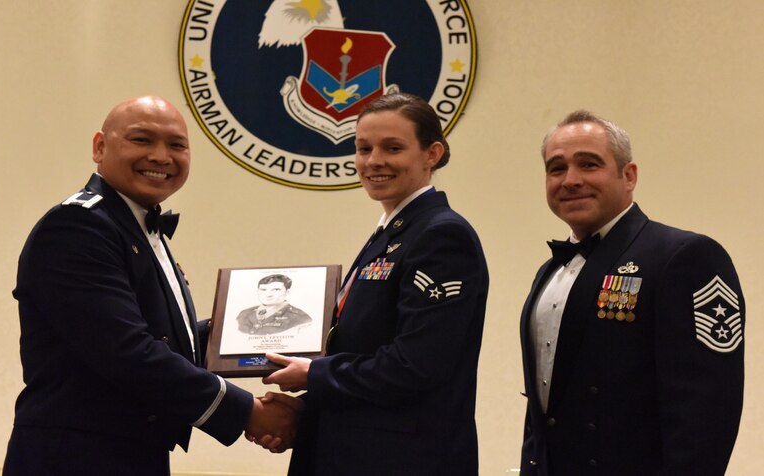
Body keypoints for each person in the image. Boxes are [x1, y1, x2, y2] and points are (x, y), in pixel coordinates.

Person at [3, 96, 298, 475]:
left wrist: (255, 331)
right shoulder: (79, 226)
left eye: (177, 145)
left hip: (125, 451)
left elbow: (158, 338)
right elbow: (127, 352)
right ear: (99, 147)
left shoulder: (131, 224)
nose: (161, 156)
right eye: (142, 140)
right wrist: (248, 412)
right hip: (77, 455)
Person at [256, 92, 490, 475]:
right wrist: (310, 406)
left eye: (393, 148)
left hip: (405, 461)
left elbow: (414, 366)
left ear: (432, 153)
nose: (374, 161)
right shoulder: (394, 232)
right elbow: (358, 347)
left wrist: (314, 375)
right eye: (363, 148)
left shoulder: (442, 236)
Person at [519, 110, 745, 475]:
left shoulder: (684, 257)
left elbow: (706, 413)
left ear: (629, 175)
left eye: (589, 164)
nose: (571, 180)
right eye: (556, 168)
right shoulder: (551, 271)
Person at [236, 274, 312, 335]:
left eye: (276, 290)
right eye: (263, 290)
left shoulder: (301, 318)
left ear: (287, 292)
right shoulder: (244, 314)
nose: (268, 295)